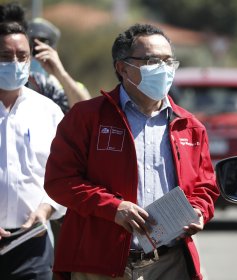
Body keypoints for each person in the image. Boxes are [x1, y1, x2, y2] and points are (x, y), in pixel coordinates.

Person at [44, 23, 219, 279]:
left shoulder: (190, 127)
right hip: (99, 263)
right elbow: (59, 181)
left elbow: (205, 187)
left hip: (170, 264)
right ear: (122, 68)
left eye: (169, 61)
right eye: (152, 60)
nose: (164, 69)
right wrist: (113, 208)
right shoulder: (87, 117)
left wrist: (199, 210)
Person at [0, 21, 65, 279]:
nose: (15, 63)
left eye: (22, 56)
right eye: (5, 56)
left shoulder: (48, 112)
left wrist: (46, 209)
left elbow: (65, 174)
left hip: (32, 245)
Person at [27, 17, 91, 112]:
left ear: (54, 50)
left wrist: (61, 74)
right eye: (31, 47)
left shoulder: (67, 86)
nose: (35, 55)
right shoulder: (15, 82)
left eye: (41, 49)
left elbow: (87, 112)